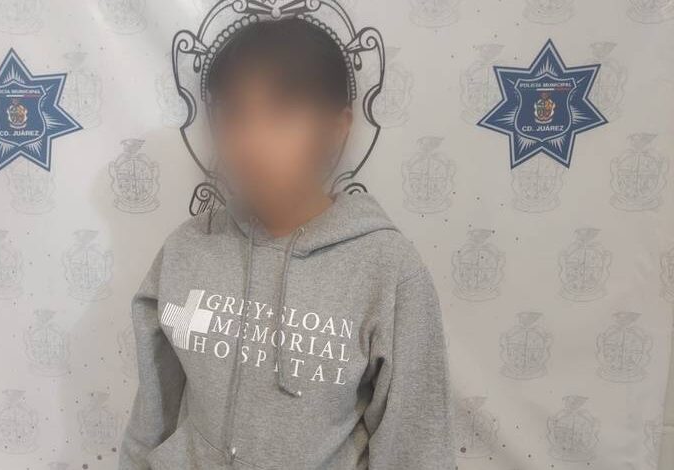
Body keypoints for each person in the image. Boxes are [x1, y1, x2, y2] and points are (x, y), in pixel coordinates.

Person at [119, 18, 454, 470]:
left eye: (281, 113)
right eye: (233, 114)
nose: (250, 142)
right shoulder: (187, 251)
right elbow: (151, 419)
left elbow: (415, 449)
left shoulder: (387, 270)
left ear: (335, 129)